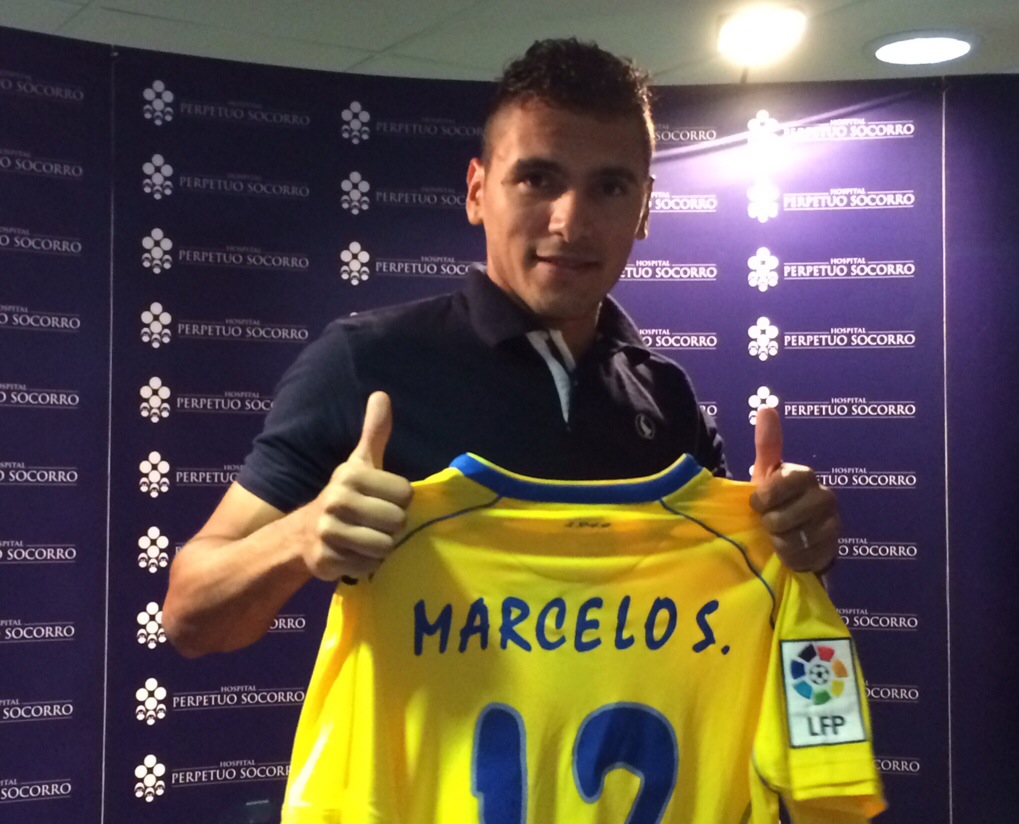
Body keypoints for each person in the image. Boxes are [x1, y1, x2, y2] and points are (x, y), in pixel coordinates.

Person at [162, 37, 840, 658]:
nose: (570, 222)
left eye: (609, 187)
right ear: (477, 191)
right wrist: (300, 536)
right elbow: (190, 614)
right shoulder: (365, 361)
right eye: (537, 179)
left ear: (643, 209)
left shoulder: (665, 396)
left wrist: (793, 542)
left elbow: (738, 605)